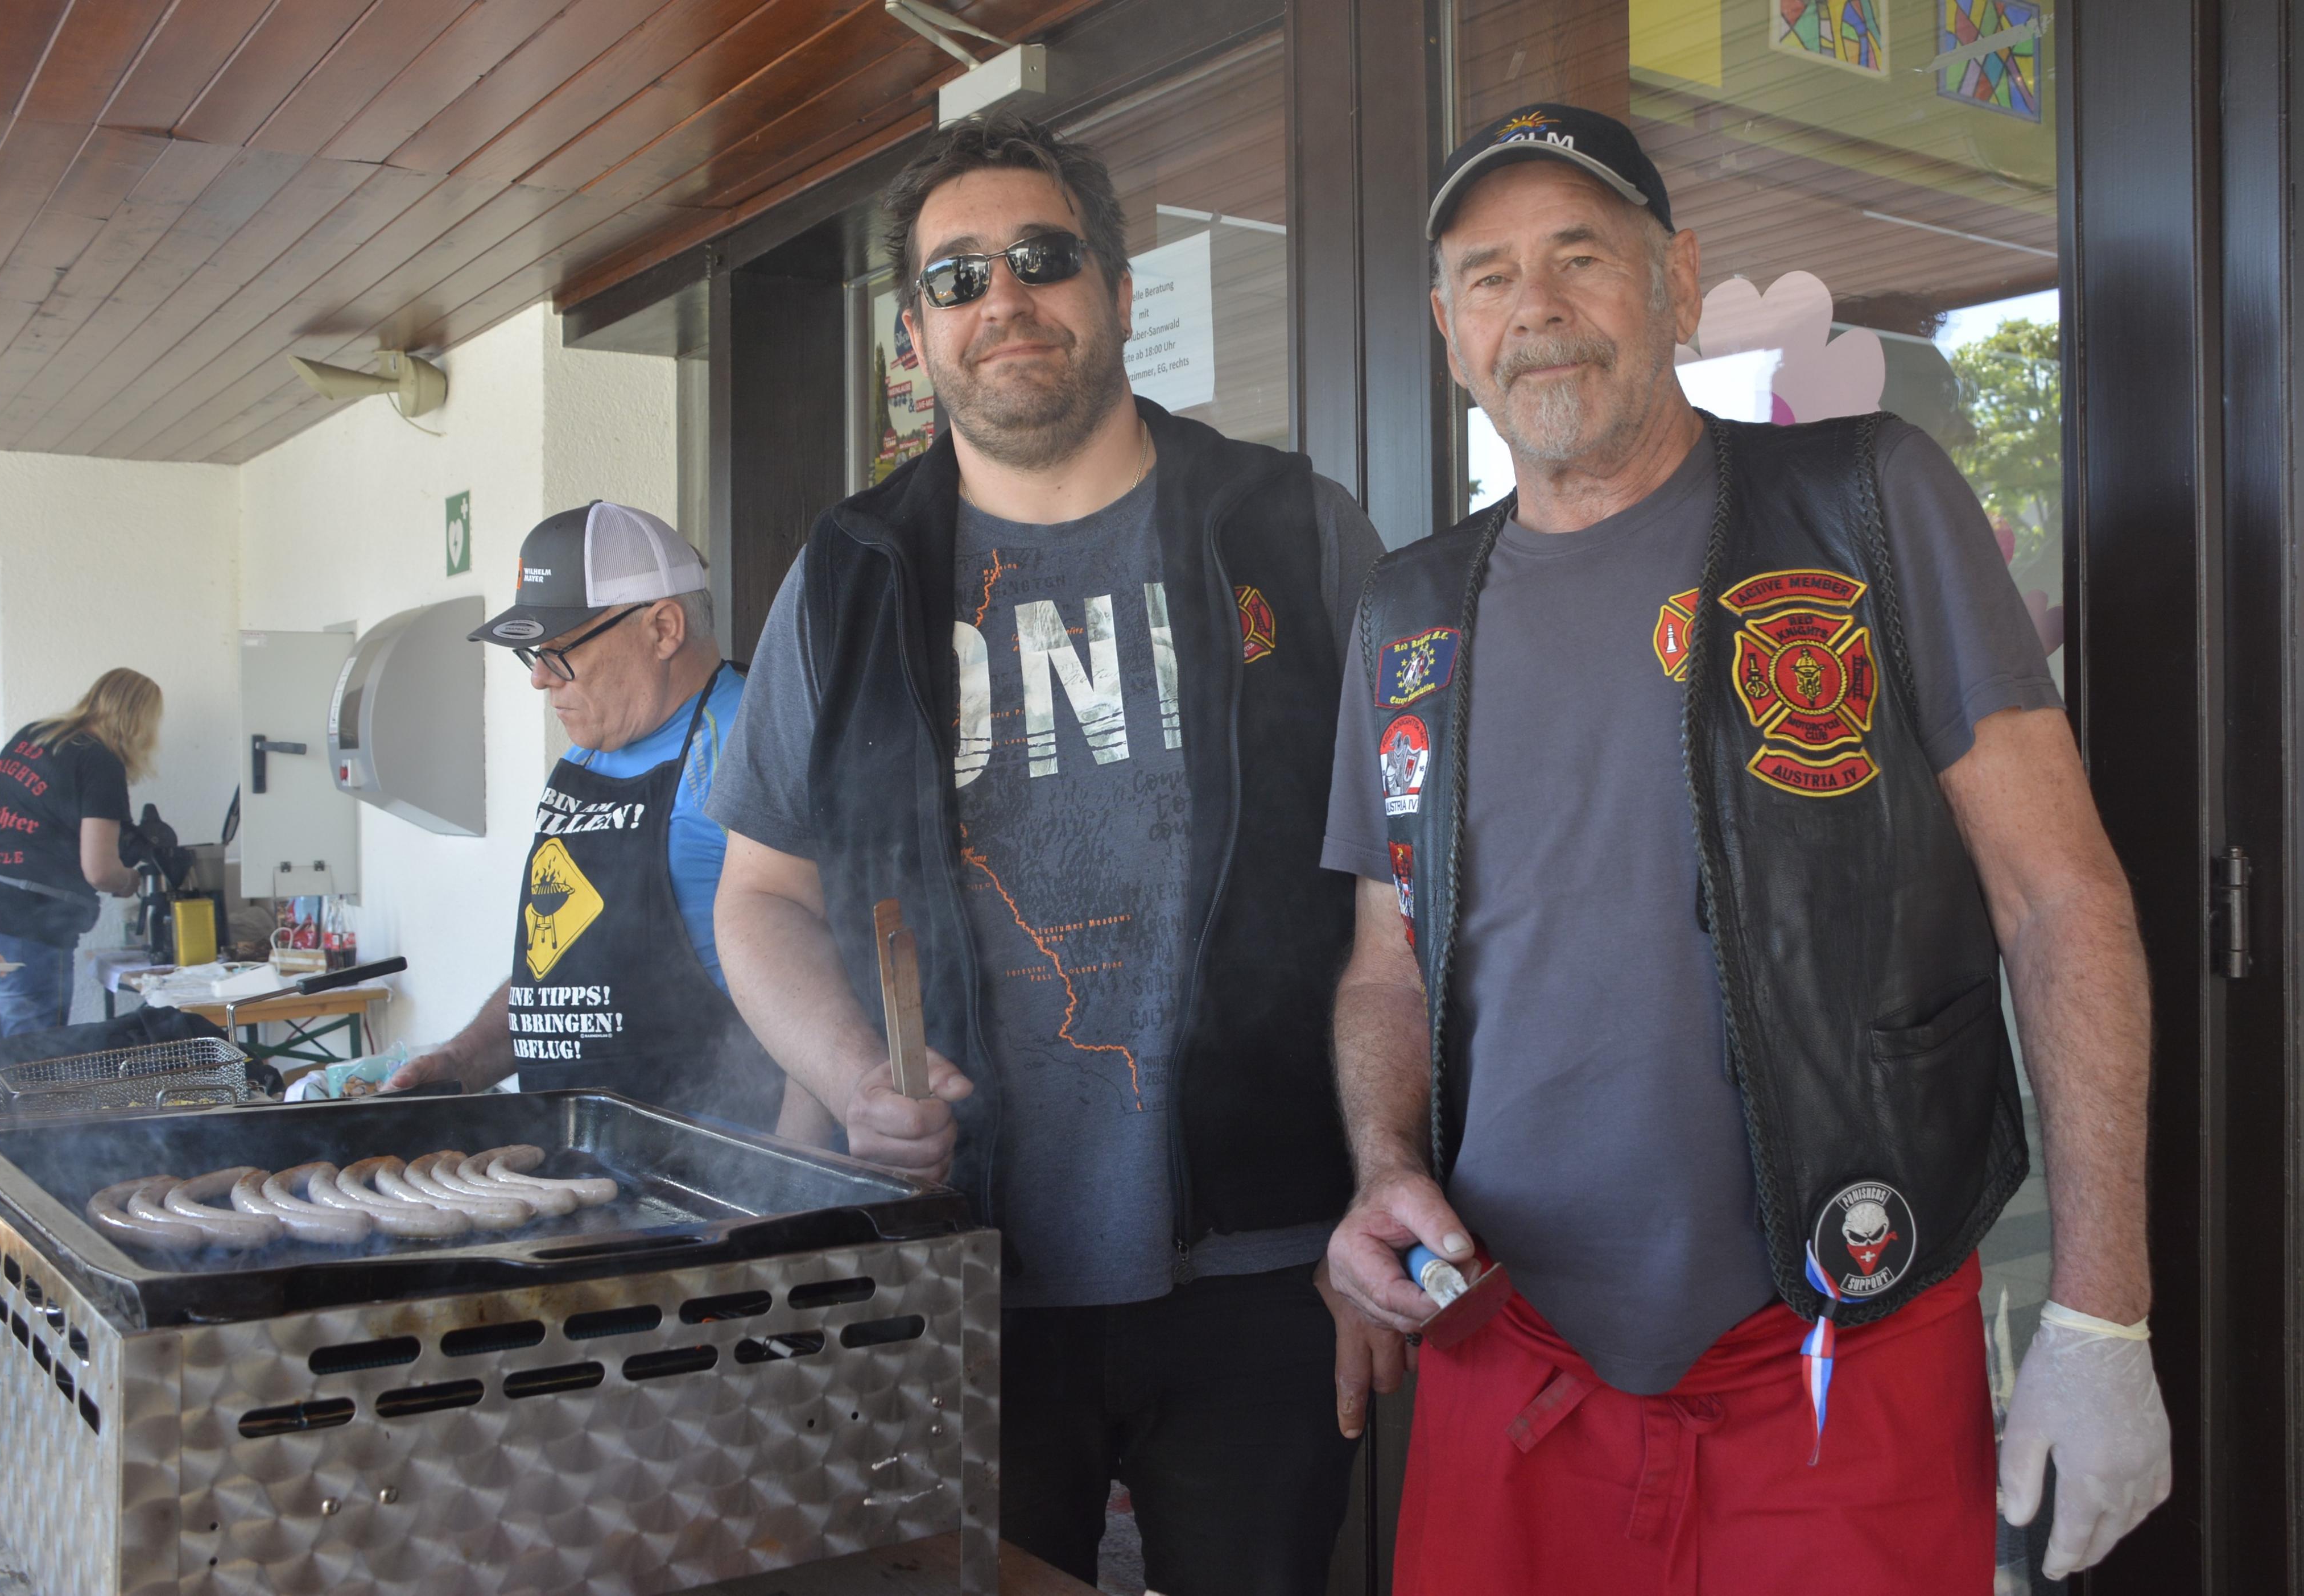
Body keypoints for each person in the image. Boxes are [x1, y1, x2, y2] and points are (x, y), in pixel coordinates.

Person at [1321, 105, 2171, 1593]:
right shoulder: (1408, 612)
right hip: (1511, 1355)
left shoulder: (1863, 501)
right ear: (1451, 333)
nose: (1536, 307)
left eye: (1581, 255)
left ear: (1675, 282)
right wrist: (1382, 1167)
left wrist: (2101, 1311)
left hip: (1841, 1337)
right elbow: (1385, 965)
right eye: (1488, 277)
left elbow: (2056, 897)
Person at [704, 110, 1394, 1595]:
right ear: (914, 337)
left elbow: (1409, 895)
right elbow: (759, 896)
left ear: (1119, 291)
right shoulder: (848, 573)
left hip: (1271, 1262)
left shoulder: (1295, 528)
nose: (1002, 297)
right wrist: (850, 1074)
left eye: (1042, 257)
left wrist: (1387, 1185)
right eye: (956, 277)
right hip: (960, 1269)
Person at [386, 502, 784, 1130]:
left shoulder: (753, 747)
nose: (541, 680)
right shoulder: (585, 759)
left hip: (711, 1164)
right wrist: (463, 1061)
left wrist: (791, 1171)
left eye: (562, 650)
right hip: (576, 1157)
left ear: (663, 629)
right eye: (534, 654)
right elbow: (562, 970)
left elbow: (832, 977)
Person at [0, 668, 161, 1051]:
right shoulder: (100, 762)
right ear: (139, 721)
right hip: (32, 924)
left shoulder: (35, 735)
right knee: (31, 1060)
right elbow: (99, 871)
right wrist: (130, 881)